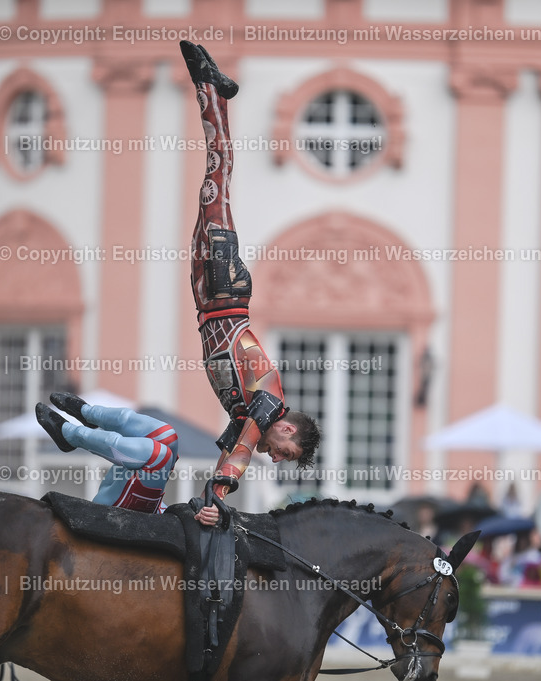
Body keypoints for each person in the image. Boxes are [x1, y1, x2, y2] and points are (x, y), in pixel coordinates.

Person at [176, 41, 320, 526]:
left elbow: (230, 447)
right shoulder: (268, 401)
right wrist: (219, 494)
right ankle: (212, 92)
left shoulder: (253, 417)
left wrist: (212, 498)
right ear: (287, 427)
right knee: (216, 181)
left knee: (210, 189)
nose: (276, 459)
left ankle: (212, 92)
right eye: (285, 452)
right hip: (226, 292)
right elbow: (241, 449)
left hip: (206, 302)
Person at [36, 397, 179, 514]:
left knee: (158, 454)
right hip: (153, 503)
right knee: (168, 437)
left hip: (138, 511)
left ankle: (72, 436)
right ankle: (89, 413)